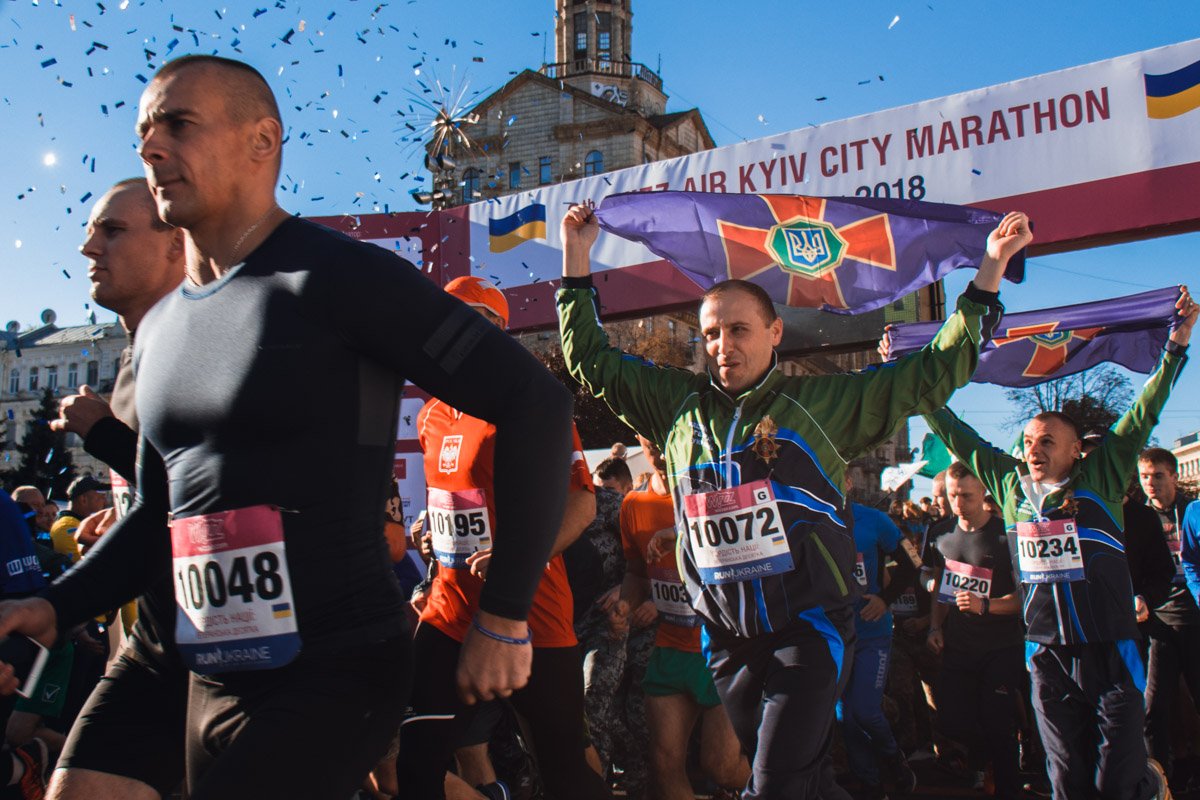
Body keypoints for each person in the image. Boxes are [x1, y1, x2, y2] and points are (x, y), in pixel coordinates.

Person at [0, 55, 574, 800]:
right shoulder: (161, 330)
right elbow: (156, 514)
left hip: (333, 670)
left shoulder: (338, 278)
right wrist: (56, 604)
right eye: (144, 131)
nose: (150, 148)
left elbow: (537, 404)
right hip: (196, 665)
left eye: (178, 124)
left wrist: (503, 616)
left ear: (260, 142)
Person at [557, 202, 1028, 798]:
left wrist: (987, 273)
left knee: (773, 782)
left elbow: (932, 370)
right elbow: (588, 360)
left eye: (738, 330)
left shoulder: (823, 406)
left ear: (775, 333)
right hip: (727, 640)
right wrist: (578, 257)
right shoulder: (676, 404)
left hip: (808, 629)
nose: (722, 346)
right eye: (709, 333)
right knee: (800, 781)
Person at [921, 285, 1196, 800]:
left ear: (1075, 450)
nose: (1034, 450)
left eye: (1047, 441)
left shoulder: (1104, 477)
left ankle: (1144, 782)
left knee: (1114, 781)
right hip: (1046, 655)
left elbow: (1145, 410)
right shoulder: (1007, 483)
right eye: (1027, 442)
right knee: (1067, 782)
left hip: (1109, 649)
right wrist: (917, 385)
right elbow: (959, 437)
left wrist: (1176, 346)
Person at [397, 275, 608, 800]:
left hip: (531, 615)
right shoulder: (430, 414)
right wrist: (434, 534)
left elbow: (583, 504)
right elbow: (461, 499)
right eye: (440, 319)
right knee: (416, 764)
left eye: (466, 318)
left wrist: (516, 559)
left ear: (496, 331)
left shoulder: (529, 400)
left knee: (563, 771)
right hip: (448, 613)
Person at [34, 177, 190, 800]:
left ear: (177, 245)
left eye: (113, 230)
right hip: (149, 646)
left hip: (237, 649)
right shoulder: (131, 359)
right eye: (92, 228)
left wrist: (101, 434)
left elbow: (204, 493)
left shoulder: (211, 346)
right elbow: (157, 502)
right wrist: (120, 519)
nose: (87, 247)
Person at [618, 435, 748, 800]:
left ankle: (786, 787)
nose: (658, 450)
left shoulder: (716, 495)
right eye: (649, 442)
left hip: (723, 649)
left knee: (721, 765)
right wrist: (626, 605)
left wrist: (685, 531)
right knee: (664, 764)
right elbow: (637, 573)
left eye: (664, 439)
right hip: (671, 648)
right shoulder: (633, 504)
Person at [925, 462, 1024, 800]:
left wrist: (986, 605)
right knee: (952, 721)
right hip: (959, 645)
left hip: (1001, 646)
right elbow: (941, 584)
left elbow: (1028, 599)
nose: (959, 503)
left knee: (998, 724)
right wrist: (935, 626)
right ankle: (989, 757)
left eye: (967, 495)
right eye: (953, 495)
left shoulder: (1005, 533)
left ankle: (1009, 784)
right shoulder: (940, 534)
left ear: (984, 493)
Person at [838, 493, 919, 800]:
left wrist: (886, 599)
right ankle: (870, 786)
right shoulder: (811, 516)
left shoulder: (874, 519)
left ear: (846, 481)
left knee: (866, 710)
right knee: (846, 718)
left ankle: (894, 760)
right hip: (834, 636)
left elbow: (913, 562)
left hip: (872, 633)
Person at [1138, 447, 1200, 785]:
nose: (1150, 483)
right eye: (1144, 476)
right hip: (1159, 624)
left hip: (1195, 619)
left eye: (1158, 475)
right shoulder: (1137, 518)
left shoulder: (1191, 511)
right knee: (1155, 708)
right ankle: (1161, 779)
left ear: (1174, 476)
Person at [46, 479, 109, 566]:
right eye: (101, 496)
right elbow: (82, 567)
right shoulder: (67, 526)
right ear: (83, 499)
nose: (105, 501)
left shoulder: (74, 523)